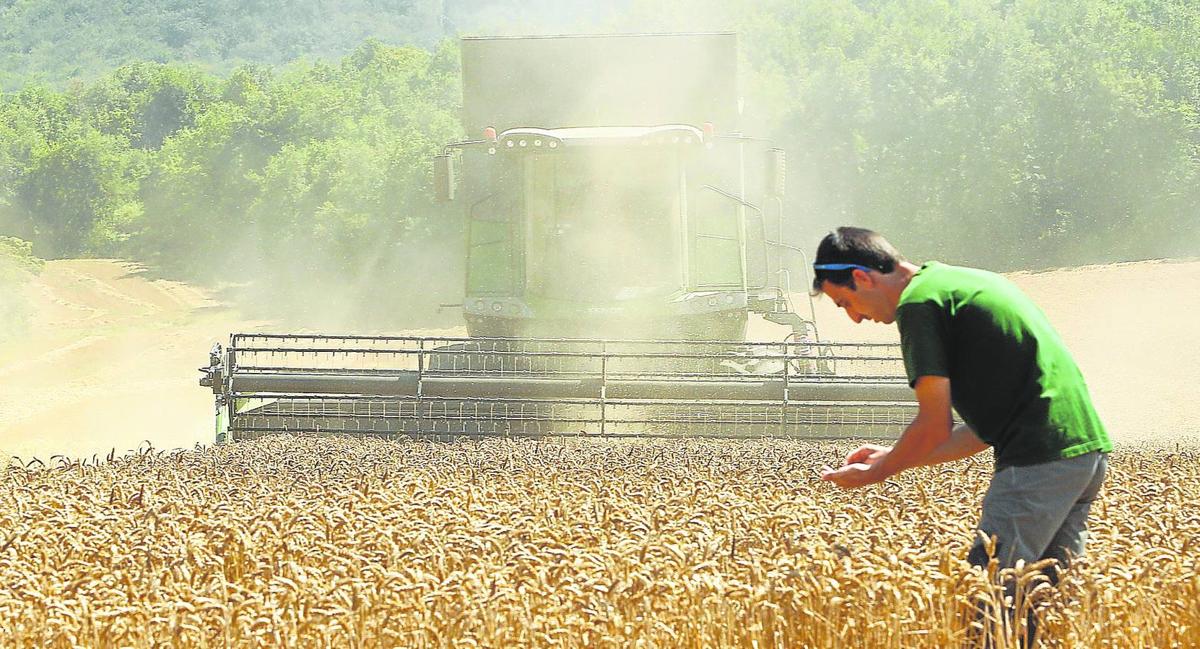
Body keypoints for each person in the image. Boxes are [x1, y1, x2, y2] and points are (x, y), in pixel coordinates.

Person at [812, 227, 1111, 587]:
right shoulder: (961, 282)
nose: (854, 318)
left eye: (845, 302)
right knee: (1042, 602)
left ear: (861, 277)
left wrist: (877, 473)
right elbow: (984, 431)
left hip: (1037, 462)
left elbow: (933, 424)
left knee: (987, 596)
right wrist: (897, 455)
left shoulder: (919, 304)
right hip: (1083, 454)